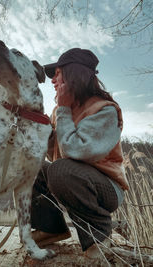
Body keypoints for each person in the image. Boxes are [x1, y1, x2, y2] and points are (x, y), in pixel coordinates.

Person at [31, 48, 129, 257]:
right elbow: (55, 154)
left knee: (61, 170)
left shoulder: (104, 109)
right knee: (31, 164)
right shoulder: (61, 110)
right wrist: (43, 130)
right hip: (72, 177)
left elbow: (77, 152)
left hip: (106, 189)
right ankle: (51, 227)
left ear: (74, 75)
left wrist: (64, 111)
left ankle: (99, 235)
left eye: (57, 74)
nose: (52, 81)